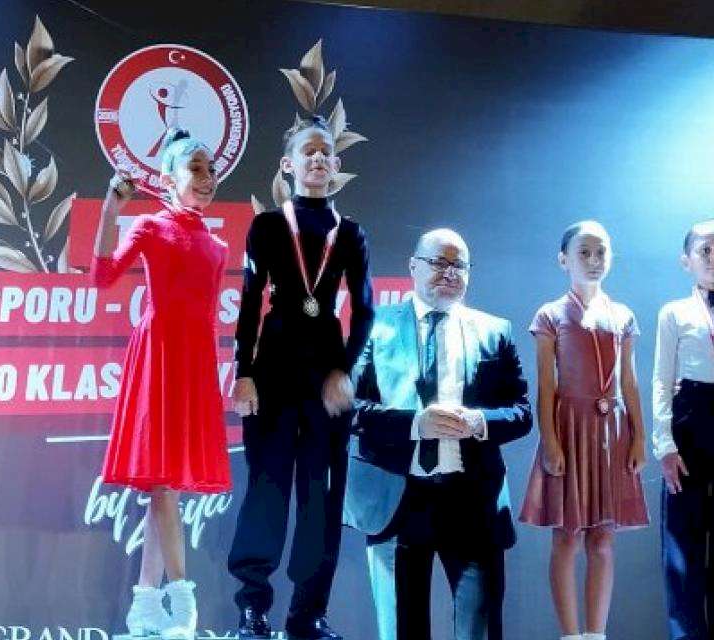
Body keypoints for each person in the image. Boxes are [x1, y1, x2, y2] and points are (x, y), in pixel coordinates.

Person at [345, 228, 532, 640]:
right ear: (413, 267)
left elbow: (521, 413)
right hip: (397, 499)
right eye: (438, 263)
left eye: (459, 265)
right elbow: (349, 408)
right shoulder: (374, 325)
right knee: (401, 630)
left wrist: (479, 422)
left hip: (473, 501)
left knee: (480, 630)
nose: (449, 273)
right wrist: (416, 424)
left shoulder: (495, 330)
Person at [228, 115, 374, 640]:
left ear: (335, 165)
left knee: (322, 495)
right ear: (288, 164)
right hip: (273, 367)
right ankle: (253, 608)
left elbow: (365, 310)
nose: (316, 158)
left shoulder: (350, 233)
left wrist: (344, 370)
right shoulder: (268, 226)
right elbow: (250, 303)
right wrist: (244, 373)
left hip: (326, 373)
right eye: (307, 151)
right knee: (266, 488)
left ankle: (308, 612)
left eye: (324, 152)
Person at [93, 128, 231, 640]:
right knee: (164, 485)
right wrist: (111, 210)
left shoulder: (217, 245)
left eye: (210, 170)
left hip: (194, 365)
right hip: (156, 358)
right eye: (195, 169)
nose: (206, 178)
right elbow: (102, 276)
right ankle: (183, 597)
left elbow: (210, 316)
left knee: (163, 485)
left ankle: (145, 603)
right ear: (169, 178)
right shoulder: (151, 226)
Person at [518, 221, 648, 640]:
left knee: (603, 539)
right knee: (568, 537)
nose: (594, 260)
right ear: (564, 260)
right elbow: (546, 383)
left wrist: (639, 436)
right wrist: (550, 441)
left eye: (601, 252)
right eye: (584, 252)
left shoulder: (623, 314)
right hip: (569, 428)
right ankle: (571, 635)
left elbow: (629, 381)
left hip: (612, 434)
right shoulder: (550, 314)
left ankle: (596, 634)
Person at [653, 219, 714, 640]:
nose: (713, 258)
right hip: (690, 423)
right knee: (683, 547)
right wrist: (665, 445)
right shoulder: (674, 312)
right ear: (686, 260)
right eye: (705, 250)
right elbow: (661, 380)